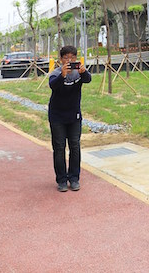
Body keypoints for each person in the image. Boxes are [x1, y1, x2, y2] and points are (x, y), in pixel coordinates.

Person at [47, 45, 91, 192]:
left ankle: (74, 178)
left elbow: (88, 79)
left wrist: (83, 72)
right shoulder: (56, 73)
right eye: (66, 58)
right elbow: (53, 85)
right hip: (57, 116)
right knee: (59, 148)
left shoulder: (79, 73)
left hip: (74, 116)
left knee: (75, 146)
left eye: (72, 58)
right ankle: (61, 180)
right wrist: (63, 76)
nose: (70, 60)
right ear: (61, 60)